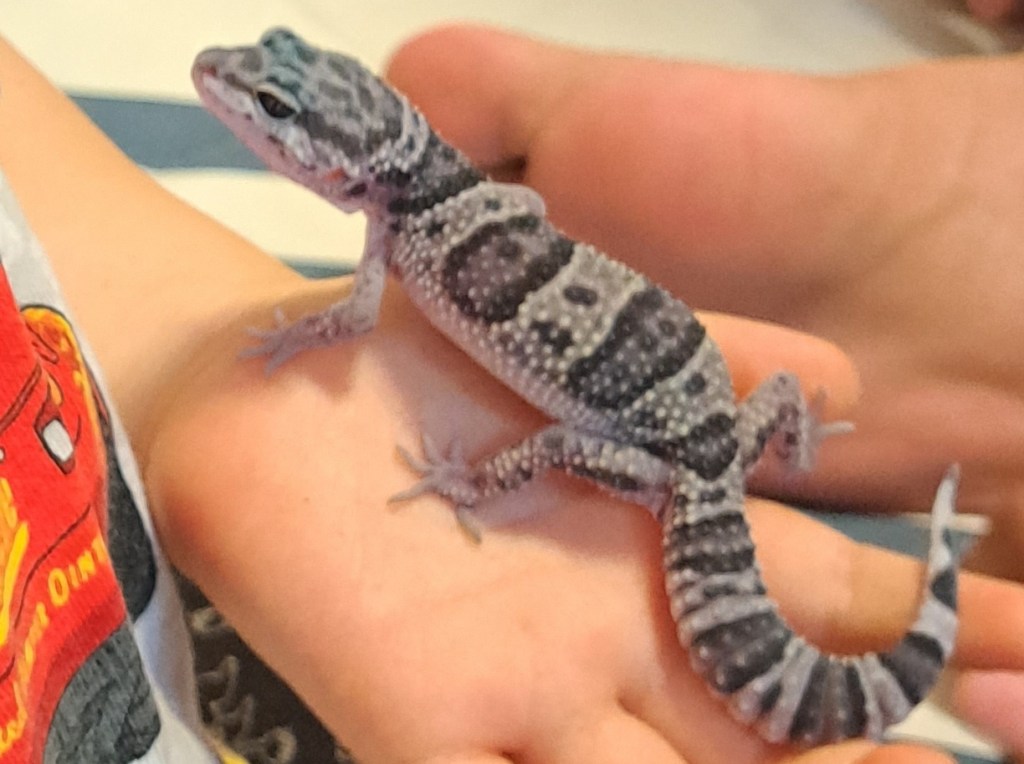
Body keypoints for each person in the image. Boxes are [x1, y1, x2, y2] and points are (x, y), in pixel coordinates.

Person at [1, 9, 1023, 763]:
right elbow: (498, 225)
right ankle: (796, 432)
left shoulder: (398, 236)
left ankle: (490, 483)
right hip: (714, 411)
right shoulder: (449, 205)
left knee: (564, 446)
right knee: (752, 402)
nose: (228, 88)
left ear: (344, 166)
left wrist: (472, 480)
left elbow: (354, 320)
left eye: (272, 104)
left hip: (655, 452)